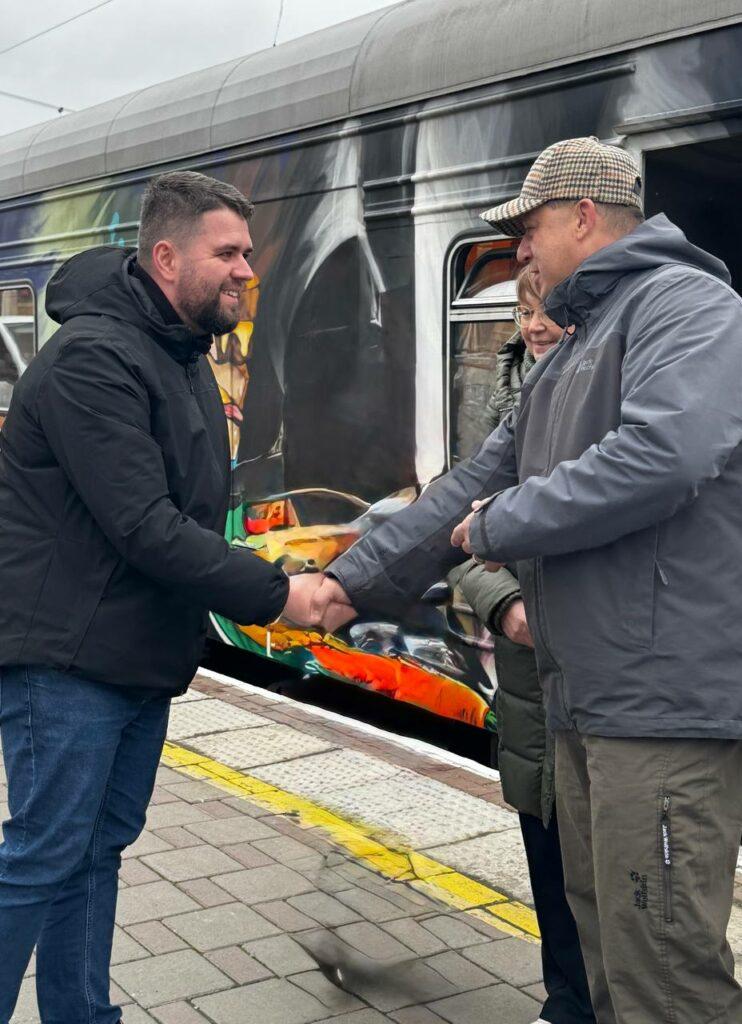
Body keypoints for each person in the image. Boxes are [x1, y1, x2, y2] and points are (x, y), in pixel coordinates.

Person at [310, 137, 742, 1023]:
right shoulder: (574, 349)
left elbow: (668, 454)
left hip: (659, 705)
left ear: (585, 216)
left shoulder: (687, 307)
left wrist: (503, 527)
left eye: (531, 229)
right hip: (587, 699)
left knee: (665, 974)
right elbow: (473, 479)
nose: (521, 252)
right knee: (610, 962)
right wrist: (349, 584)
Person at [0, 170, 319, 1023]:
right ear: (166, 256)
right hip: (67, 662)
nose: (247, 269)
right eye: (228, 252)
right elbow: (144, 525)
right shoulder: (95, 360)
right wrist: (277, 593)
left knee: (93, 852)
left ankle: (83, 1015)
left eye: (249, 252)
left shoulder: (175, 353)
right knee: (42, 856)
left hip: (135, 655)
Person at [450, 265, 593, 1024]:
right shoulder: (503, 411)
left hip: (590, 674)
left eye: (547, 311)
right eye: (522, 310)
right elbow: (463, 545)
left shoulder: (605, 398)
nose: (534, 325)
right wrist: (503, 605)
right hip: (529, 681)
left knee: (601, 871)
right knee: (548, 863)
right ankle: (564, 1004)